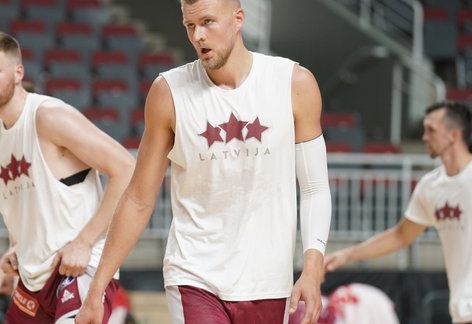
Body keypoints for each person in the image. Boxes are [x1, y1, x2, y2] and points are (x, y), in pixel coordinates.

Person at [76, 0, 332, 323]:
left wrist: (312, 269)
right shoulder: (167, 92)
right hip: (194, 274)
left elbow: (314, 188)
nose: (198, 36)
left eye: (208, 22)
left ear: (238, 18)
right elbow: (139, 198)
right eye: (190, 26)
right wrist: (98, 286)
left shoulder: (294, 84)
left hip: (268, 280)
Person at [0, 31, 136, 323]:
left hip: (79, 269)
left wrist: (84, 242)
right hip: (33, 277)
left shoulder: (48, 117)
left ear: (18, 72)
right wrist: (15, 250)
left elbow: (126, 168)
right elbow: (28, 204)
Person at [324, 101, 472, 324]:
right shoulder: (430, 186)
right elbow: (400, 236)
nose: (424, 137)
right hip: (461, 309)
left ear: (453, 135)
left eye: (431, 130)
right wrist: (347, 255)